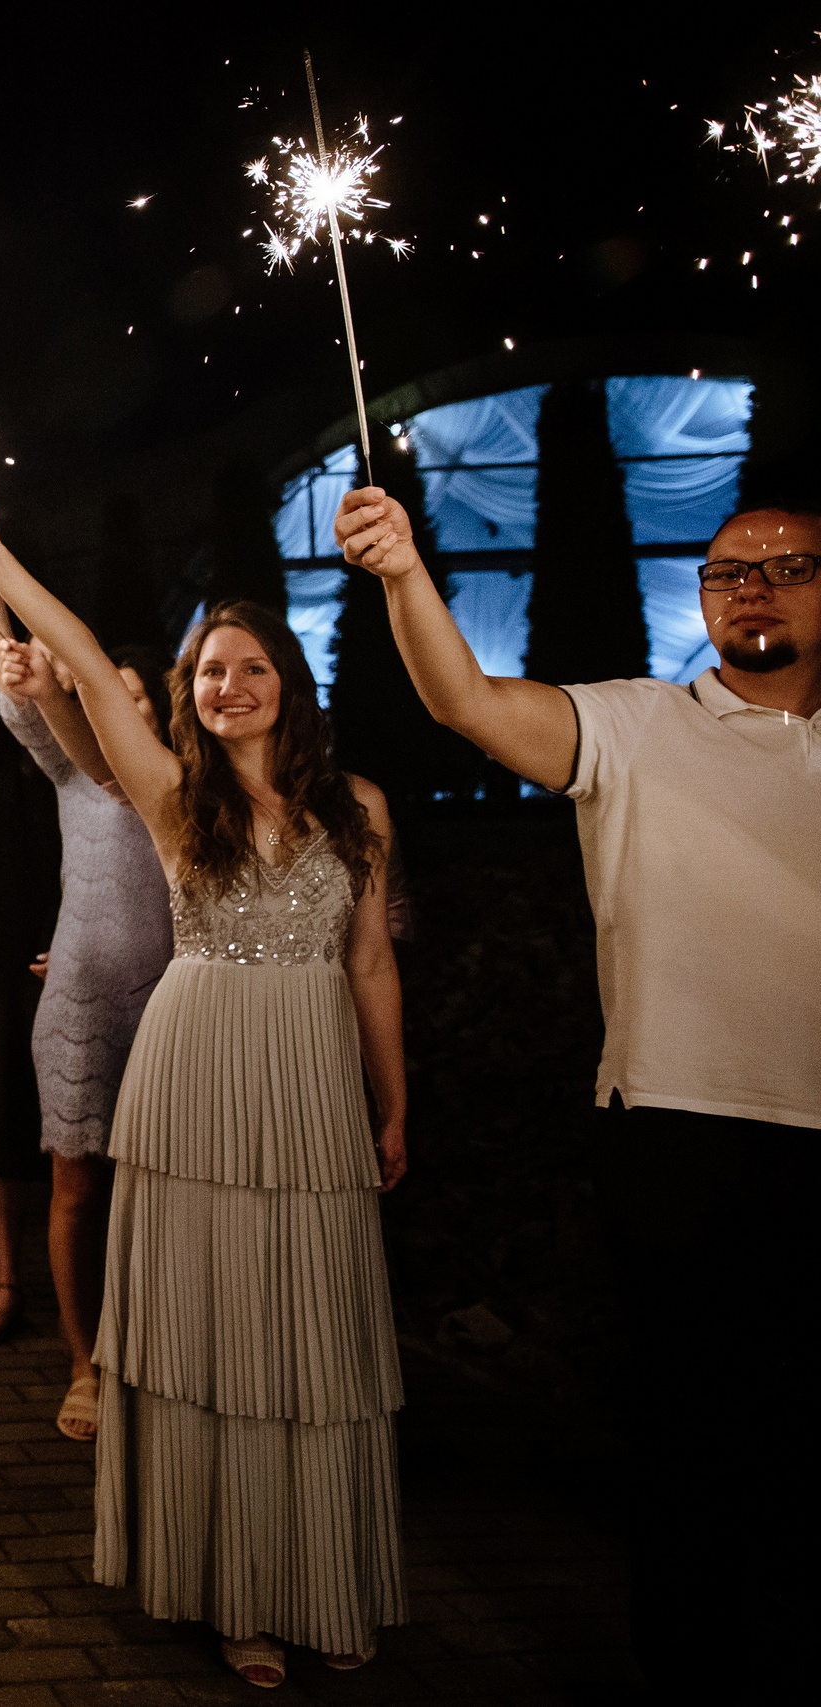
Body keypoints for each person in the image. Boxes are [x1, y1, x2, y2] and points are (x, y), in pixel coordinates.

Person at [334, 485, 821, 1689]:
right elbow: (463, 701)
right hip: (681, 1130)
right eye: (723, 572)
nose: (749, 586)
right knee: (695, 1442)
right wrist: (403, 574)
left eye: (785, 567)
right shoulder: (640, 726)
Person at [0, 483, 406, 1685]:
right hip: (195, 1068)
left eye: (249, 667)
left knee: (307, 1330)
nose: (227, 686)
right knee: (209, 1333)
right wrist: (0, 559)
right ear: (192, 692)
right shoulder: (167, 795)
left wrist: (392, 1098)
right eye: (210, 670)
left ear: (286, 682)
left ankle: (319, 1576)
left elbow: (368, 962)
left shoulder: (356, 810)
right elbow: (92, 673)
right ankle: (234, 1594)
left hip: (311, 1075)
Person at [0, 564, 174, 1443]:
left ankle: (156, 1355)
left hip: (173, 1006)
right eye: (103, 697)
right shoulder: (74, 773)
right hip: (81, 1000)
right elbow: (23, 700)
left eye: (133, 698)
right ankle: (82, 1360)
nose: (115, 712)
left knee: (161, 1194)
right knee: (78, 1190)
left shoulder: (178, 783)